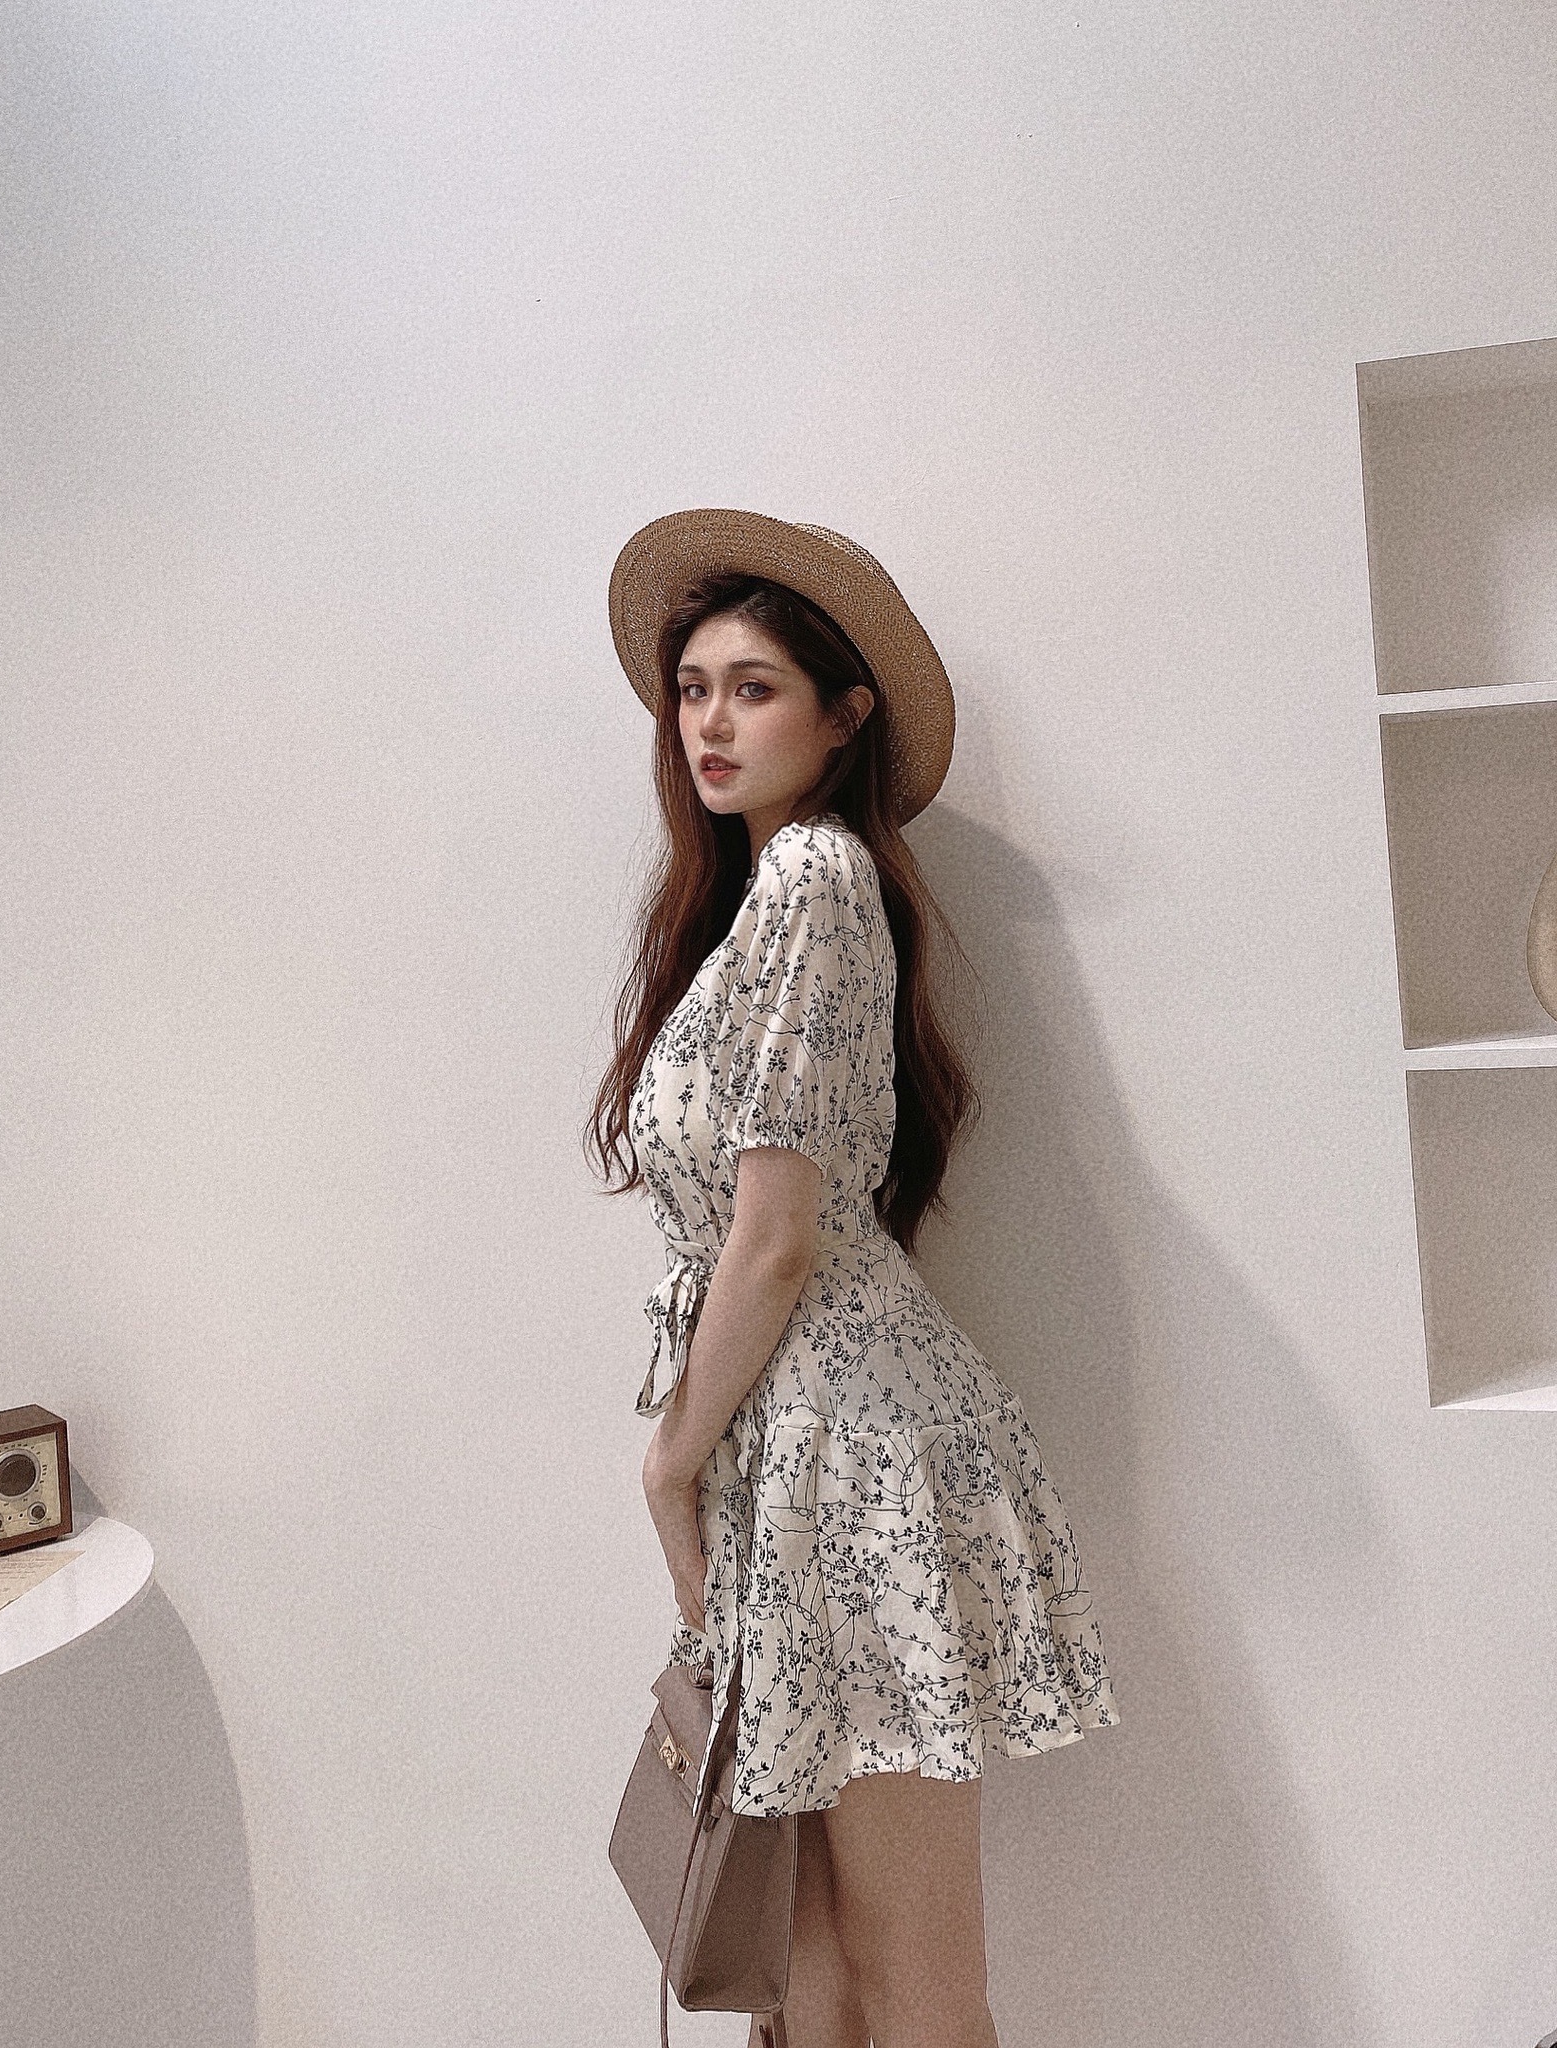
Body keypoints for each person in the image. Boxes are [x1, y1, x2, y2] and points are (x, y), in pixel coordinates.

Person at [589, 510, 1120, 2048]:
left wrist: (667, 1465)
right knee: (799, 1980)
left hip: (852, 1460)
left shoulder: (817, 875)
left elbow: (776, 1238)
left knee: (912, 1987)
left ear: (845, 716)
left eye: (753, 688)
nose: (709, 721)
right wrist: (702, 1467)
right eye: (692, 689)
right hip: (785, 1454)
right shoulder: (747, 909)